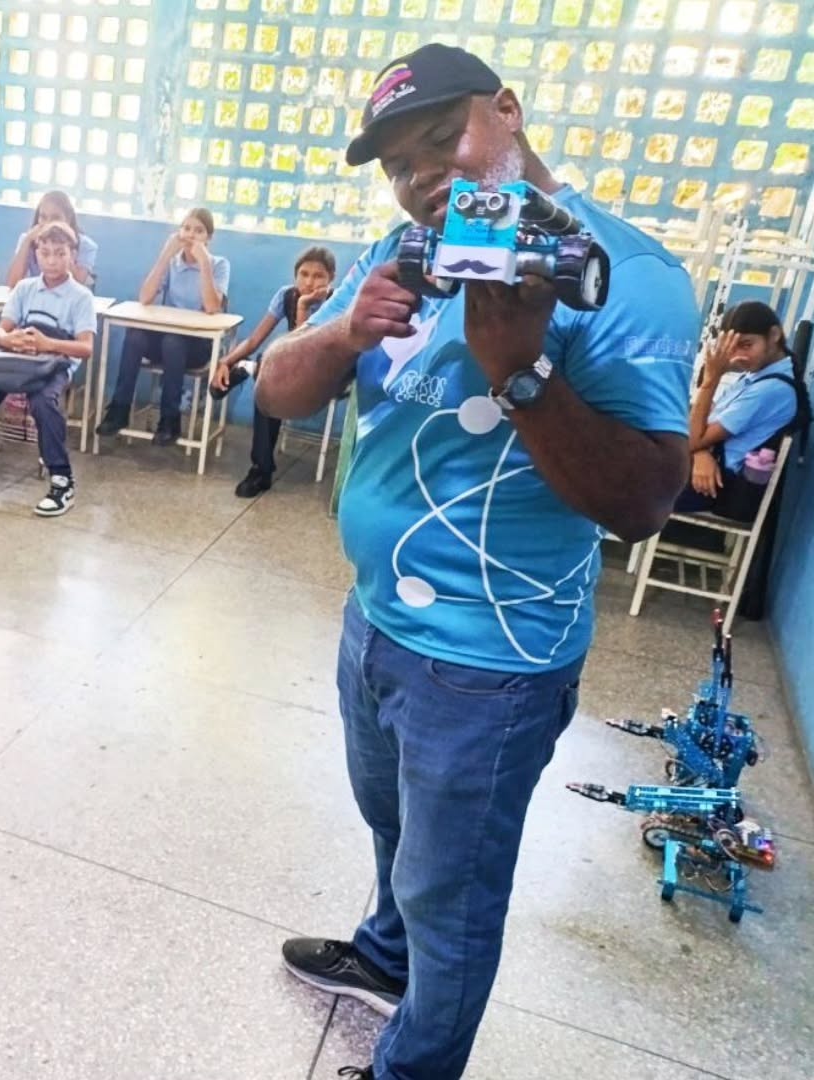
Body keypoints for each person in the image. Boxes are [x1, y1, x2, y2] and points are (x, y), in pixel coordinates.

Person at [256, 43, 700, 1080]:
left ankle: (414, 1064)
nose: (423, 176)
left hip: (491, 660)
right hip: (376, 622)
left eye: (441, 139)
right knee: (392, 827)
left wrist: (522, 371)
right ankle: (383, 958)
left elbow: (644, 500)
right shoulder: (397, 247)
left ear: (507, 111)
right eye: (400, 163)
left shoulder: (627, 275)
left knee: (454, 897)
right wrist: (345, 336)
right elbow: (276, 391)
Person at [0, 222, 96, 518]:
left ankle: (62, 480)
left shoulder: (80, 297)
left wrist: (48, 343)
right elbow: (0, 332)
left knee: (44, 402)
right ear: (36, 254)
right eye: (45, 252)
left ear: (72, 256)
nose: (51, 259)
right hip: (15, 359)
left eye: (60, 253)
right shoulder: (25, 288)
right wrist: (9, 339)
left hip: (51, 365)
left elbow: (85, 348)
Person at [209, 246, 336, 497]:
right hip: (285, 374)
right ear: (295, 275)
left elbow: (304, 351)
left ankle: (251, 369)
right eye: (304, 274)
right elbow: (255, 339)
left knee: (270, 368)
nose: (309, 282)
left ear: (331, 277)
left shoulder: (339, 301)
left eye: (318, 275)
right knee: (267, 383)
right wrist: (225, 362)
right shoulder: (286, 295)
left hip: (322, 378)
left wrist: (303, 307)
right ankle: (261, 470)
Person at [96, 207, 230, 446]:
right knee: (136, 335)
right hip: (167, 338)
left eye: (199, 231)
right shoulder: (173, 263)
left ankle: (170, 419)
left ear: (209, 238)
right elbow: (145, 298)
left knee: (173, 342)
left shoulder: (219, 264)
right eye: (186, 228)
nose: (191, 235)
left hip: (198, 345)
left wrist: (204, 263)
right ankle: (119, 409)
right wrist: (165, 256)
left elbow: (212, 306)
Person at [680, 301, 803, 515]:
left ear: (774, 335)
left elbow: (693, 438)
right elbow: (701, 422)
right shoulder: (753, 377)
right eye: (732, 347)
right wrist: (700, 452)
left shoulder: (771, 389)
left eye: (746, 345)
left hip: (711, 486)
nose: (739, 356)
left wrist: (712, 379)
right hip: (698, 466)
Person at [5, 190, 98, 289]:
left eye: (55, 218)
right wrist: (27, 241)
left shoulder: (86, 245)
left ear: (69, 218)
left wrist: (67, 247)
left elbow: (77, 286)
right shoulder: (28, 240)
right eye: (43, 217)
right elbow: (13, 284)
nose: (48, 223)